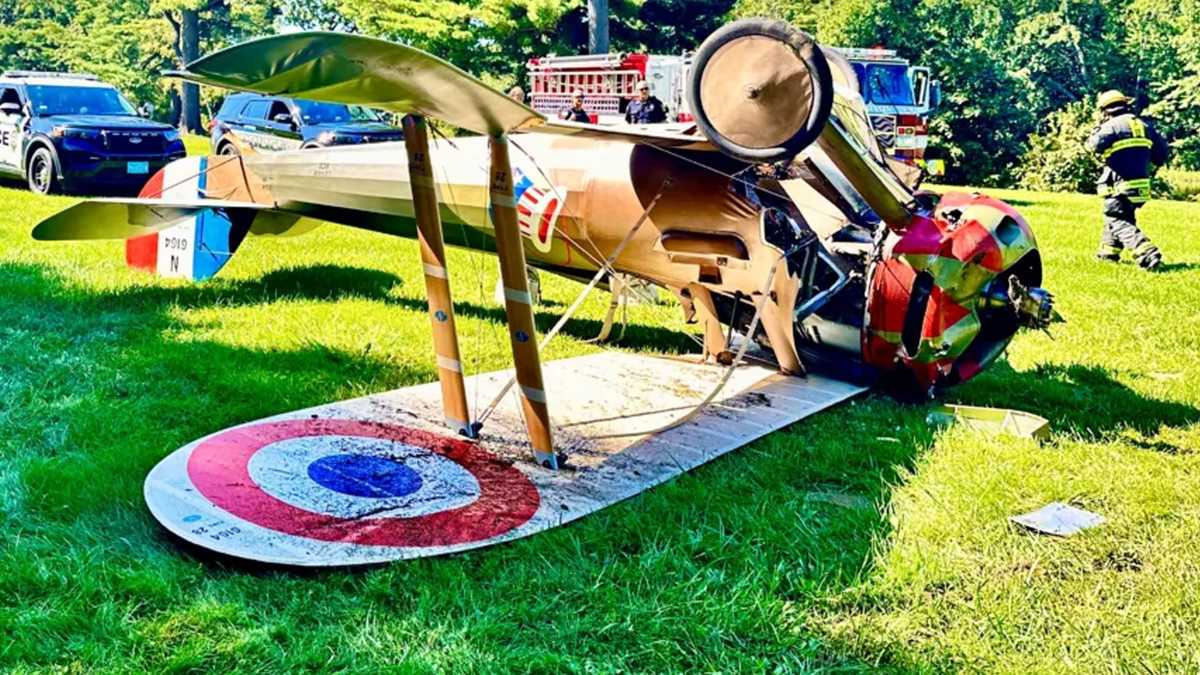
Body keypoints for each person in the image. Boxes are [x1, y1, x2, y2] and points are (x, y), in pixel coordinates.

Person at [1085, 90, 1169, 270]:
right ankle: (1108, 253)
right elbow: (1161, 155)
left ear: (1106, 110)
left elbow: (1092, 146)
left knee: (1116, 217)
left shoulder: (1111, 126)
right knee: (1121, 216)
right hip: (1141, 187)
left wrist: (1097, 129)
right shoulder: (1145, 126)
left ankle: (1146, 252)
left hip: (1119, 185)